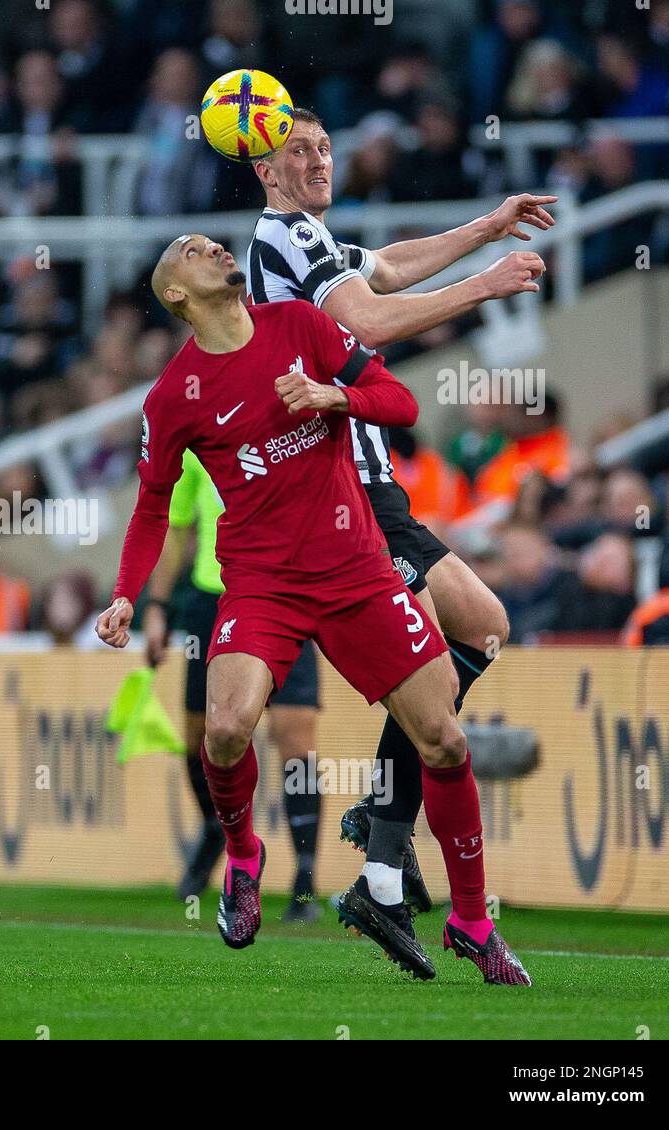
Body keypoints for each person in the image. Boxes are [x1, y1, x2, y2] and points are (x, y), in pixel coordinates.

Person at [96, 234, 531, 986]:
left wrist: (339, 397)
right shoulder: (173, 396)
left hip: (357, 570)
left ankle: (470, 922)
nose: (211, 246)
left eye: (211, 240)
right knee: (226, 728)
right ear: (177, 296)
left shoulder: (300, 324)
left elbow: (399, 400)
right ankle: (243, 857)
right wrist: (128, 596)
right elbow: (152, 506)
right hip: (262, 582)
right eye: (192, 250)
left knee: (446, 743)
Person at [247, 106, 545, 945]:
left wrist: (486, 228)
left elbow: (383, 270)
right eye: (297, 151)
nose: (318, 161)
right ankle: (383, 851)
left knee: (469, 648)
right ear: (264, 169)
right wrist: (485, 285)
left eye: (325, 148)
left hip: (374, 492)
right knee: (464, 656)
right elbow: (369, 320)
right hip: (352, 496)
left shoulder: (308, 242)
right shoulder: (288, 237)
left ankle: (380, 856)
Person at [143, 451, 323, 921]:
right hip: (211, 596)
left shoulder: (290, 427)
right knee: (201, 735)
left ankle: (305, 880)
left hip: (283, 589)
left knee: (295, 732)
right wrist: (159, 604)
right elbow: (176, 524)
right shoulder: (195, 439)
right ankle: (212, 825)